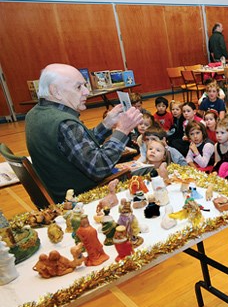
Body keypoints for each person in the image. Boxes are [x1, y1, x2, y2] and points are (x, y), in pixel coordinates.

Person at [25, 63, 142, 202]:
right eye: (79, 87)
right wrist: (122, 131)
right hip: (81, 198)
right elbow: (99, 167)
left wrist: (107, 124)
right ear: (56, 91)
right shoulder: (65, 123)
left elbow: (77, 145)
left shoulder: (34, 114)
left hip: (60, 191)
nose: (87, 91)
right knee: (150, 172)